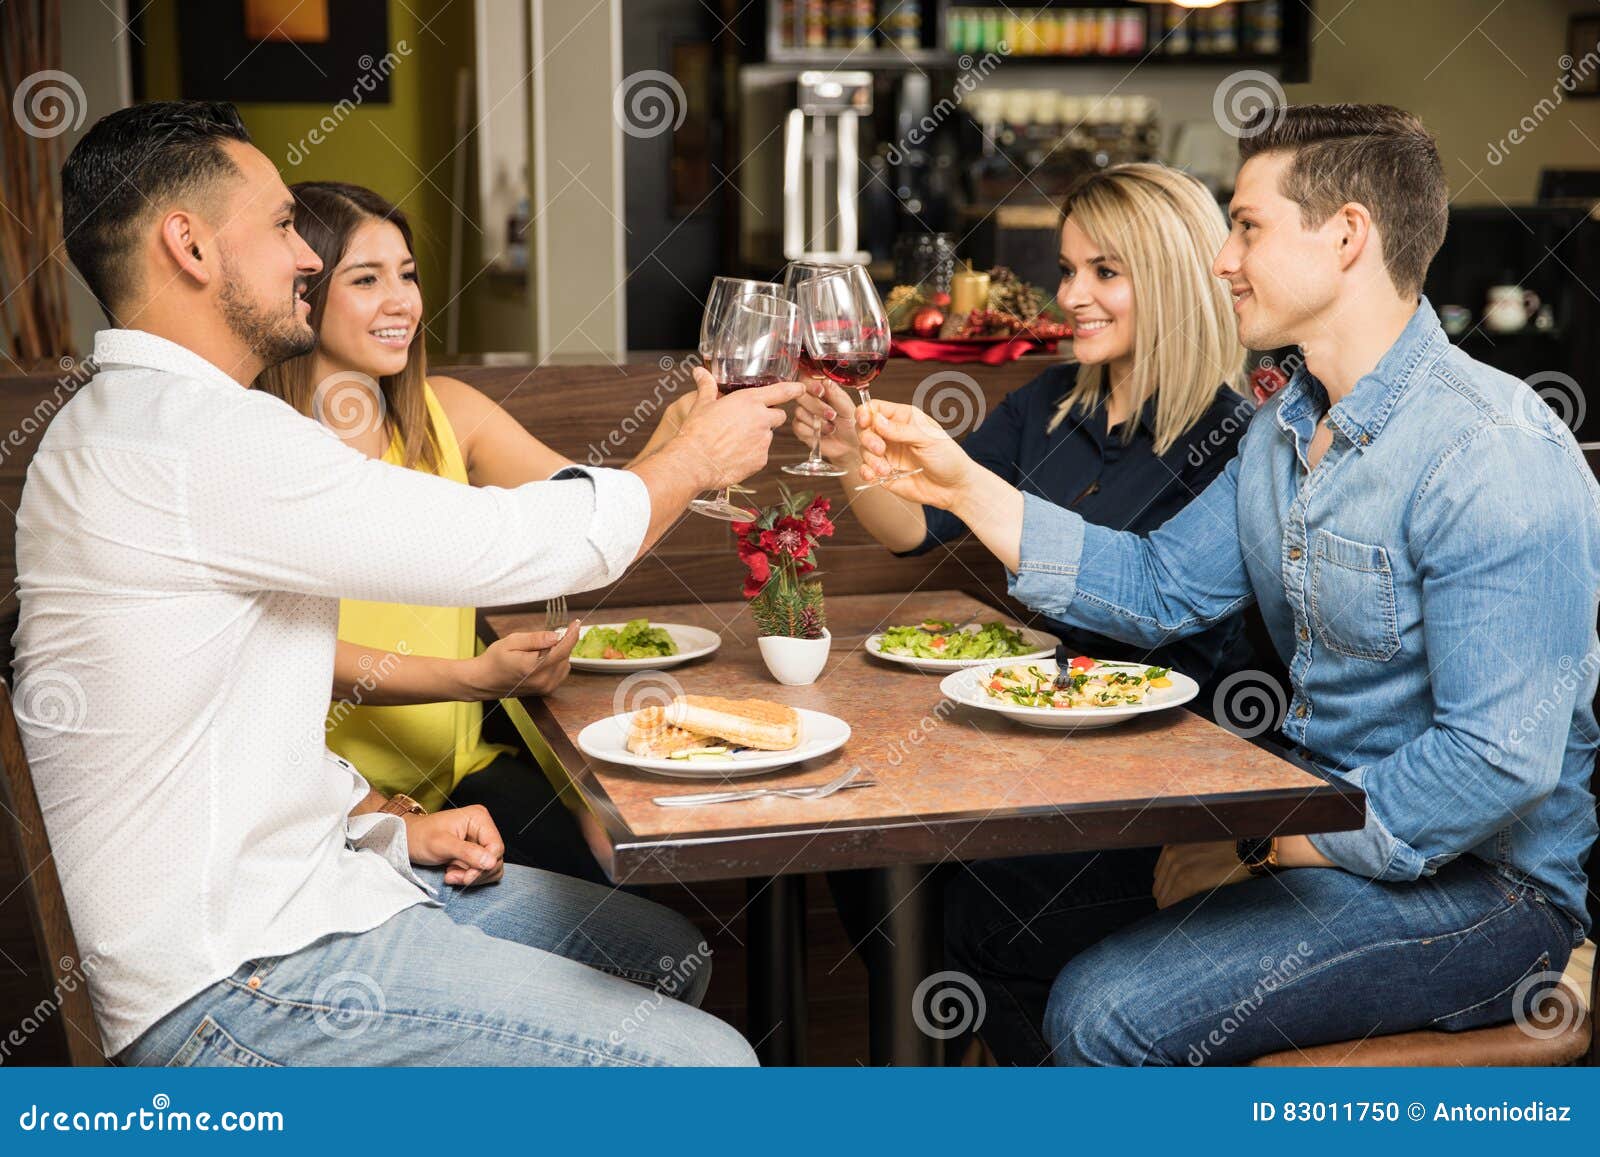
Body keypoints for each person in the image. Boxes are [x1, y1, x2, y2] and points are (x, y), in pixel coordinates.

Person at [14, 100, 799, 1066]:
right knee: (709, 1064)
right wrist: (690, 459)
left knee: (662, 955)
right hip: (231, 978)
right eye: (279, 226)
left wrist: (385, 827)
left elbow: (204, 721)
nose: (305, 254)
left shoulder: (127, 423)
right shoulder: (201, 438)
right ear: (190, 245)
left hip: (304, 893)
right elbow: (513, 545)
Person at [853, 104, 1597, 1064]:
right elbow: (1159, 585)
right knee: (1041, 939)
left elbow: (1499, 758)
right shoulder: (1280, 429)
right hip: (1330, 846)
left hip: (1486, 898)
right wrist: (966, 485)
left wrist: (1295, 841)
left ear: (1345, 236)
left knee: (1099, 1010)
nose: (1220, 259)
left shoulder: (1489, 450)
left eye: (1247, 227)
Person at [253, 181, 691, 885]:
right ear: (304, 290)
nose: (402, 302)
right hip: (336, 797)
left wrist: (674, 453)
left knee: (618, 859)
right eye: (366, 279)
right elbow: (279, 651)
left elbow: (590, 528)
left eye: (408, 275)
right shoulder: (266, 448)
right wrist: (473, 679)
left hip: (464, 769)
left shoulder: (447, 412)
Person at [792, 163, 1254, 688]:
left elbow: (1158, 612)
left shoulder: (1234, 439)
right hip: (1051, 698)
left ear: (1172, 280)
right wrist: (852, 454)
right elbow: (917, 530)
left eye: (1105, 272)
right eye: (1067, 269)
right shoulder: (1047, 400)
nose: (1073, 296)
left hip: (1184, 727)